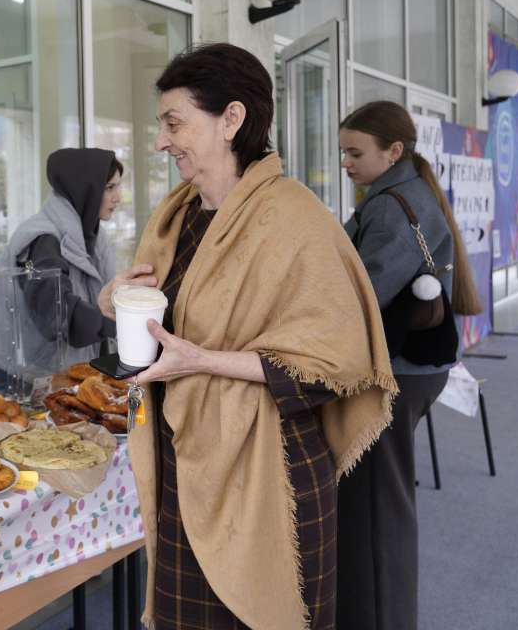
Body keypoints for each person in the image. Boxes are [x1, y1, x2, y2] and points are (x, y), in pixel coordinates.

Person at [100, 43, 397, 630]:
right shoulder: (176, 216)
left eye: (174, 123)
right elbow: (162, 333)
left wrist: (203, 361)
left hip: (269, 475)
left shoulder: (294, 218)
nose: (160, 142)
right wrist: (112, 301)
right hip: (184, 464)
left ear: (231, 119)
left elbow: (335, 364)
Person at [336, 100, 483, 630]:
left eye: (355, 153)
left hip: (393, 373)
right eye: (344, 153)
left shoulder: (392, 207)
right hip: (409, 370)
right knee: (381, 503)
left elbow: (364, 293)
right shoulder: (405, 194)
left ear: (393, 151)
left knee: (378, 511)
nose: (346, 163)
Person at [0, 148, 122, 389]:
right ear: (85, 190)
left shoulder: (90, 234)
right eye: (110, 188)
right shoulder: (42, 240)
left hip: (55, 364)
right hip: (19, 368)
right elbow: (55, 314)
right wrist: (117, 326)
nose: (118, 198)